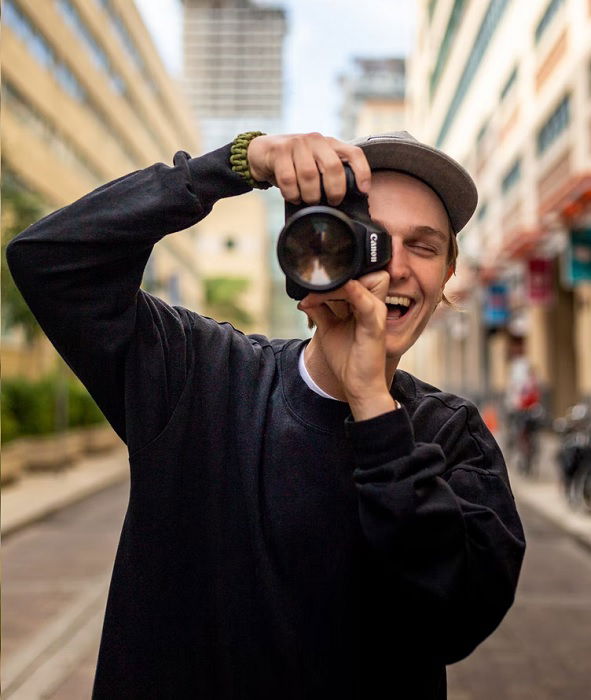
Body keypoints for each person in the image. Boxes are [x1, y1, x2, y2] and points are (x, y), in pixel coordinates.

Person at [7, 130, 526, 699]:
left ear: (448, 273)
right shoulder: (199, 374)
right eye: (369, 237)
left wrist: (374, 406)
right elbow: (51, 260)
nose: (392, 266)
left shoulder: (454, 436)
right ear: (314, 250)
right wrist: (235, 166)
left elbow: (455, 618)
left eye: (423, 246)